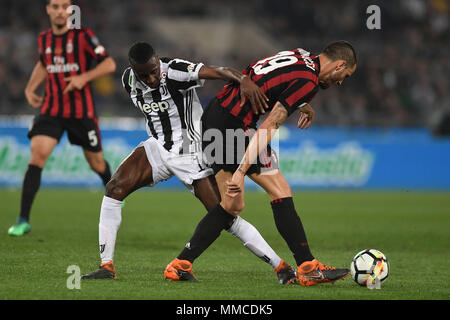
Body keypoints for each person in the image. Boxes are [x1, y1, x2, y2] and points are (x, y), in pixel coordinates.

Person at [81, 42, 298, 285]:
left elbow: (218, 71)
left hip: (191, 151)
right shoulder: (127, 80)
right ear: (133, 70)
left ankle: (280, 266)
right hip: (159, 147)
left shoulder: (174, 70)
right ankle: (106, 266)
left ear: (157, 62)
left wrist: (243, 80)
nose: (152, 78)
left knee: (224, 216)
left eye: (154, 71)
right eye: (145, 75)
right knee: (114, 188)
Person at [165, 41, 357, 286]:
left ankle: (181, 264)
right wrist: (240, 171)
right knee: (254, 197)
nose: (341, 82)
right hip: (230, 126)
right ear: (340, 65)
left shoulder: (300, 56)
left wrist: (300, 104)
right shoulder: (309, 82)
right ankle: (308, 267)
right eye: (345, 76)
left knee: (246, 200)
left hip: (220, 114)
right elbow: (270, 125)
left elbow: (267, 77)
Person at [7, 0, 116, 236]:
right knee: (37, 156)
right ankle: (23, 220)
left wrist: (83, 78)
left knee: (97, 164)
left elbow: (109, 63)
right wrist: (30, 88)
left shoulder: (84, 36)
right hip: (51, 110)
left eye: (64, 6)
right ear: (48, 9)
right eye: (55, 6)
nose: (59, 11)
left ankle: (115, 193)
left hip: (81, 112)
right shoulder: (44, 38)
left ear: (70, 10)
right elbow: (44, 64)